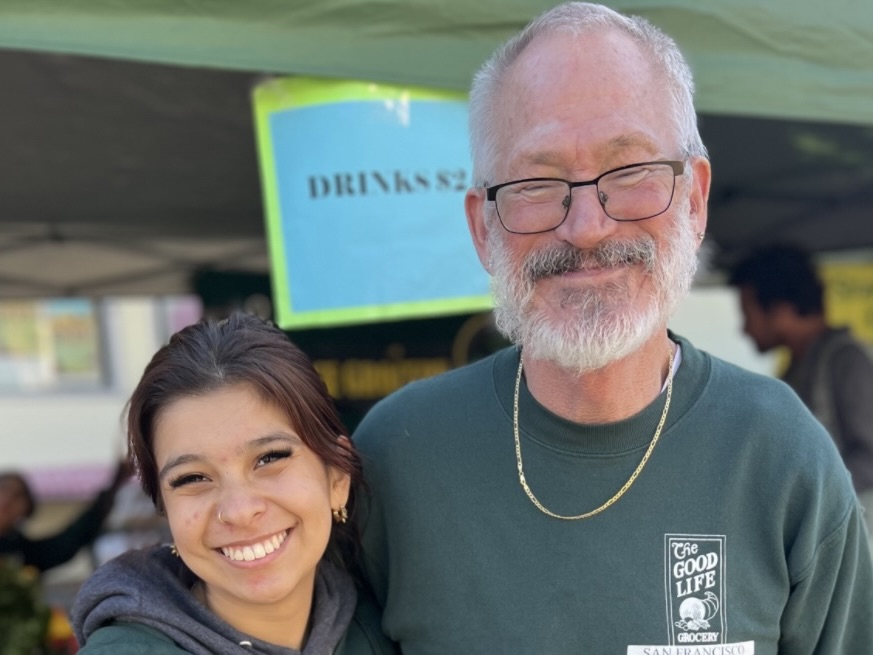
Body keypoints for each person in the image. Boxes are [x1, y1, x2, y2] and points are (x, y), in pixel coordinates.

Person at [352, 3, 873, 653]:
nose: (587, 227)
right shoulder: (395, 460)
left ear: (693, 198)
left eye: (628, 172)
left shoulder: (780, 455)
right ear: (481, 226)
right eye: (537, 182)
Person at [71, 313, 398, 655]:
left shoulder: (394, 629)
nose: (239, 511)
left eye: (269, 458)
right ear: (166, 510)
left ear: (337, 478)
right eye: (192, 478)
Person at [729, 243, 873, 531]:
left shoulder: (846, 360)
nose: (744, 328)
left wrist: (803, 497)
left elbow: (870, 456)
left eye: (748, 313)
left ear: (781, 309)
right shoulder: (800, 366)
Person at [0, 461, 129, 573]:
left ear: (26, 510)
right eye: (3, 488)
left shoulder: (24, 553)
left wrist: (114, 485)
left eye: (18, 496)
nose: (7, 500)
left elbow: (70, 540)